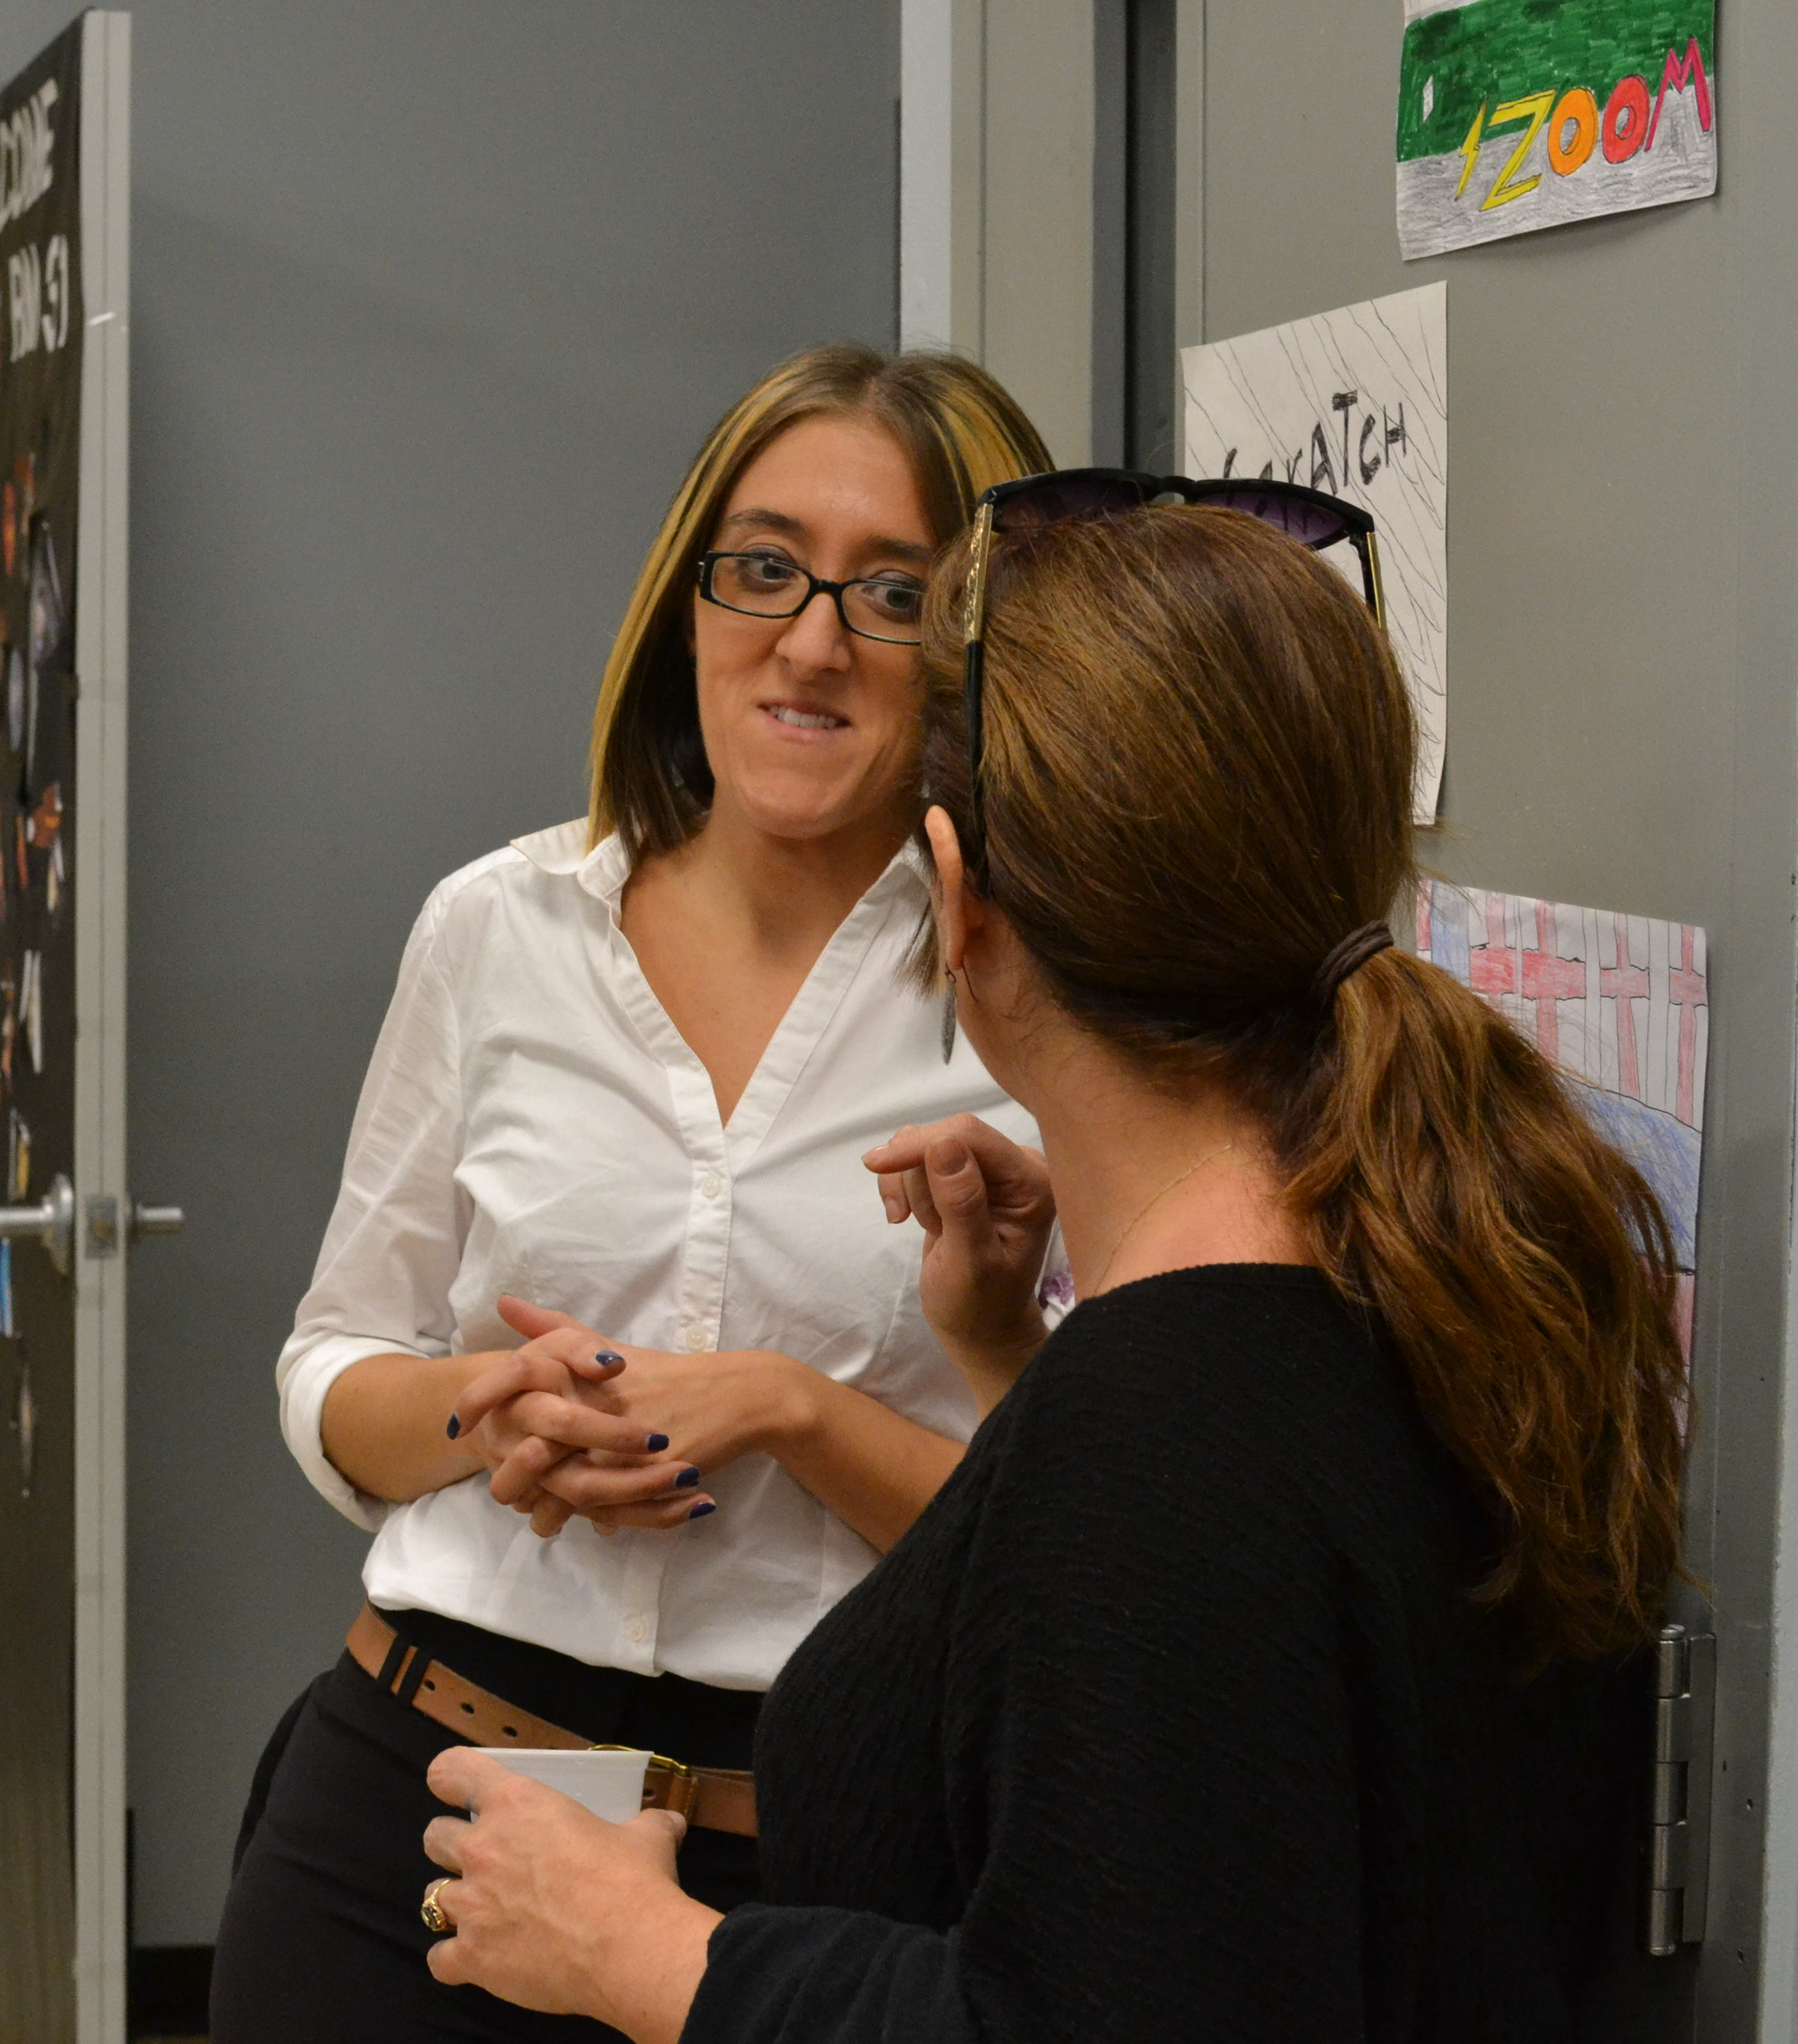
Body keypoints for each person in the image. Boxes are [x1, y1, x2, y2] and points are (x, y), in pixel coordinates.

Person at [410, 484, 1688, 2041]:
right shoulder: (1435, 1276)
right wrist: (1008, 1363)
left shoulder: (1167, 1433)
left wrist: (649, 1952)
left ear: (955, 899)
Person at [210, 347, 1054, 2043]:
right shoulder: (500, 924)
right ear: (689, 599)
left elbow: (1069, 1539)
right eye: (763, 566)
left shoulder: (1033, 988)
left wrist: (798, 1412)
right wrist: (477, 1402)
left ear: (974, 655)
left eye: (890, 594)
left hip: (817, 1866)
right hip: (424, 1811)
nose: (808, 639)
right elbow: (331, 1361)